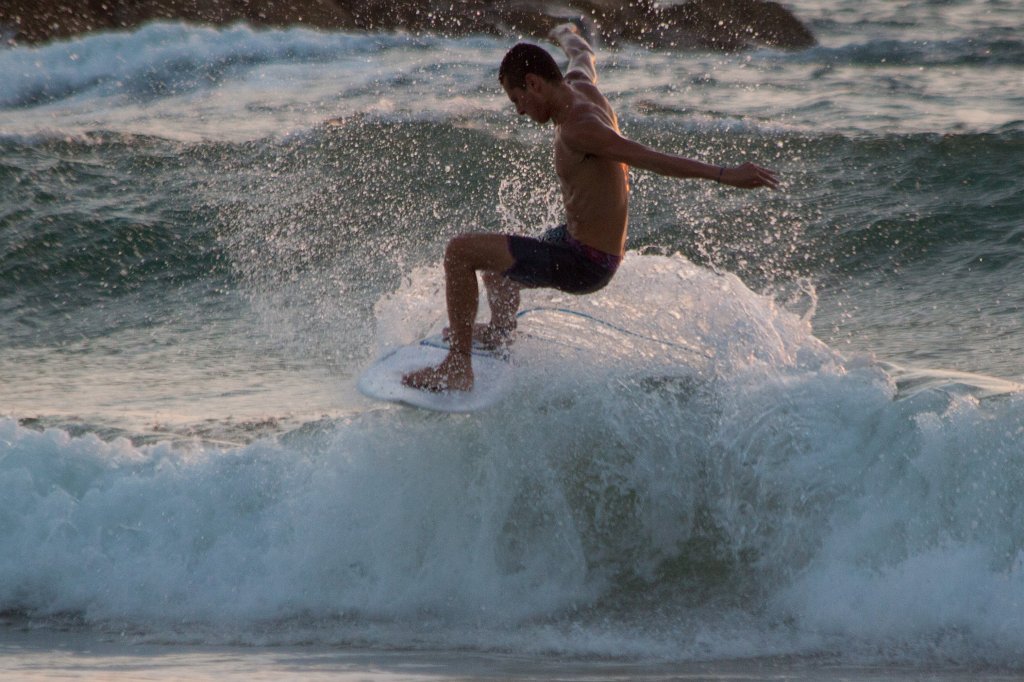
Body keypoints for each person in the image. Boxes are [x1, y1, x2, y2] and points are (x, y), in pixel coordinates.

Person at [402, 23, 779, 392]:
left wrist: (724, 174)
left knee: (460, 252)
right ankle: (500, 335)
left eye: (517, 99)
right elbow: (582, 54)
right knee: (496, 268)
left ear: (534, 83)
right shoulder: (580, 84)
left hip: (585, 262)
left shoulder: (578, 127)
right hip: (577, 243)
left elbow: (648, 157)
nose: (519, 111)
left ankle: (457, 368)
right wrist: (567, 32)